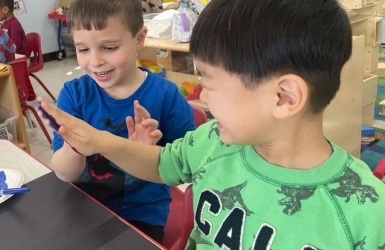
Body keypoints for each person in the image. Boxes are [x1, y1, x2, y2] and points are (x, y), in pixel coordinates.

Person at [39, 0, 385, 248]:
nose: (201, 93)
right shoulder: (213, 141)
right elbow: (162, 163)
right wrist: (99, 142)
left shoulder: (365, 213)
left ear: (284, 97)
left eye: (210, 80)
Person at [47, 0, 195, 244]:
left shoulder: (166, 97)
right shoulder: (74, 95)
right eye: (83, 49)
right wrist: (75, 147)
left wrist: (149, 155)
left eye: (109, 47)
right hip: (84, 205)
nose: (95, 61)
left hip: (142, 213)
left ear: (139, 39)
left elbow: (187, 169)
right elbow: (64, 173)